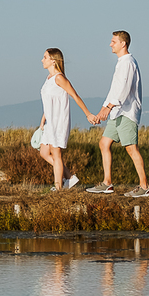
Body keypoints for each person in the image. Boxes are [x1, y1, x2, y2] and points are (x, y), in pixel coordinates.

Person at [86, 30, 149, 197]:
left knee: (131, 149)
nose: (110, 44)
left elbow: (124, 90)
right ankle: (107, 183)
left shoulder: (128, 62)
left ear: (123, 44)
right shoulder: (121, 63)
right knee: (104, 143)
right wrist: (103, 110)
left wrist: (109, 107)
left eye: (113, 41)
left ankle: (144, 187)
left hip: (127, 112)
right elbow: (114, 90)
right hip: (116, 113)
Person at [37, 48, 94, 190]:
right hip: (50, 121)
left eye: (45, 57)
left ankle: (59, 188)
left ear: (53, 61)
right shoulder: (48, 79)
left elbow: (75, 96)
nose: (42, 60)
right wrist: (43, 120)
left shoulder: (59, 78)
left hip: (59, 121)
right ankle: (69, 177)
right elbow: (48, 101)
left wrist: (88, 114)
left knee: (56, 155)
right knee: (44, 152)